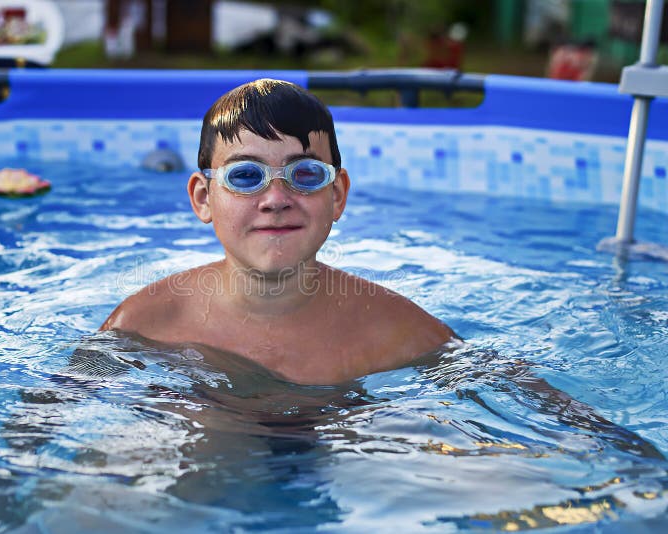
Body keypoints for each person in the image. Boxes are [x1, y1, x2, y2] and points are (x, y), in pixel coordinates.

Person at [101, 78, 455, 385]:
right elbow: (71, 407)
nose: (275, 200)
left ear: (336, 195)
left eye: (305, 174)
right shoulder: (143, 324)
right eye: (245, 176)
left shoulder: (401, 332)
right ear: (203, 198)